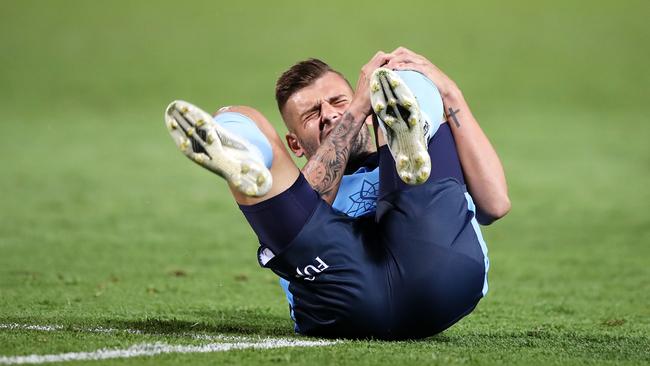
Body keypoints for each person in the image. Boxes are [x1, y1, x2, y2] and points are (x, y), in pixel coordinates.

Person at [164, 47, 510, 339]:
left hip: (428, 264)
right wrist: (357, 108)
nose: (328, 114)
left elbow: (495, 204)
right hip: (345, 289)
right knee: (241, 115)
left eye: (337, 101)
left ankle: (411, 123)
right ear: (295, 145)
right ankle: (242, 153)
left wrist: (450, 92)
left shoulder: (409, 160)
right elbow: (305, 210)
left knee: (401, 71)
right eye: (312, 114)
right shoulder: (305, 181)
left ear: (377, 109)